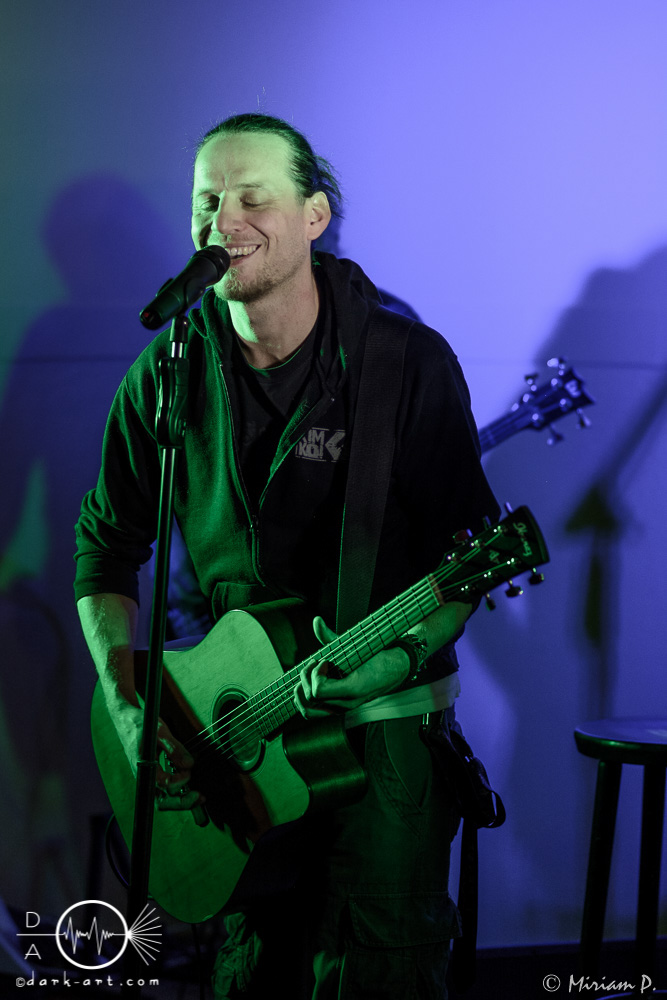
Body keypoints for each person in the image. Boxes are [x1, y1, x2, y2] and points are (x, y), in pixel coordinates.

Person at [74, 113, 499, 998]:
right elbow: (104, 552)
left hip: (378, 735)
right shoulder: (167, 374)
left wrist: (395, 657)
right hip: (232, 753)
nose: (223, 221)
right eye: (206, 200)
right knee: (252, 979)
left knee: (373, 977)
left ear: (314, 215)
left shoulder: (404, 364)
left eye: (251, 198)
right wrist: (127, 703)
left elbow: (468, 562)